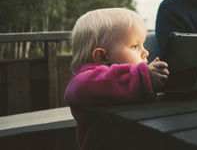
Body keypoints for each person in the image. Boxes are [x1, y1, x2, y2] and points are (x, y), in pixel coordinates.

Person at [64, 8, 169, 150]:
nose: (145, 52)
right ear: (102, 56)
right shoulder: (84, 80)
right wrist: (142, 76)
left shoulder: (126, 82)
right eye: (135, 46)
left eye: (142, 44)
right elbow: (80, 88)